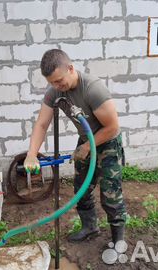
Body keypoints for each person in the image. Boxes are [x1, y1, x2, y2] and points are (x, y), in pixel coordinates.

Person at [24, 49, 126, 245]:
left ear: (70, 68)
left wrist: (87, 146)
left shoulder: (93, 89)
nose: (57, 86)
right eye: (52, 82)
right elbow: (42, 124)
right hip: (85, 140)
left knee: (110, 194)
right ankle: (90, 228)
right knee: (82, 189)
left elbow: (113, 127)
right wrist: (31, 154)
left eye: (59, 80)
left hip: (108, 143)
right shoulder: (55, 91)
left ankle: (119, 241)